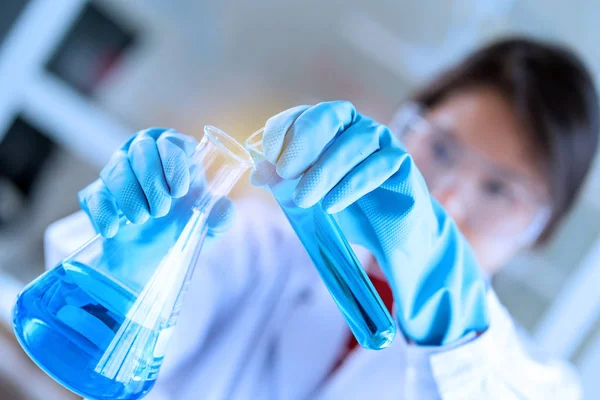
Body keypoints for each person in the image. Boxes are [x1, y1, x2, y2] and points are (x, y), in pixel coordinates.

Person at [56, 37, 598, 399]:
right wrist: (141, 259)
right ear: (406, 129)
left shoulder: (535, 383)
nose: (450, 201)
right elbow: (104, 359)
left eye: (500, 190)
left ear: (542, 232)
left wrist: (442, 297)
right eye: (442, 150)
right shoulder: (263, 246)